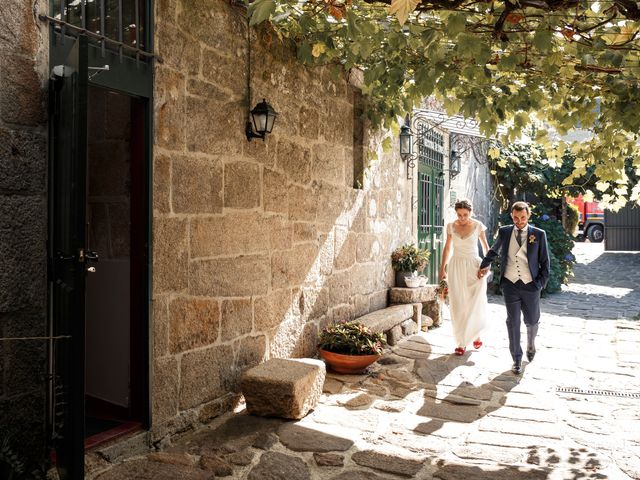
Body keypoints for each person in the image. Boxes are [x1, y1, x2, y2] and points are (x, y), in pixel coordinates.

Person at [477, 201, 550, 375]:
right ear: (512, 216)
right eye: (516, 218)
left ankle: (531, 344)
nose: (519, 221)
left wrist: (539, 284)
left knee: (532, 320)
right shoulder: (505, 231)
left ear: (528, 215)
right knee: (513, 321)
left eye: (523, 217)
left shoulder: (539, 235)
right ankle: (516, 358)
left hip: (530, 284)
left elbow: (545, 263)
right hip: (510, 284)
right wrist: (483, 265)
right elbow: (494, 251)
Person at [439, 199, 491, 356]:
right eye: (459, 215)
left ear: (471, 212)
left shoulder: (477, 225)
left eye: (465, 215)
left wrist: (487, 266)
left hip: (474, 267)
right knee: (458, 303)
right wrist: (442, 269)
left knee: (475, 301)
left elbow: (486, 247)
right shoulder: (451, 226)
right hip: (456, 267)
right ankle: (461, 342)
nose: (462, 218)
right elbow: (447, 248)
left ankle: (476, 333)